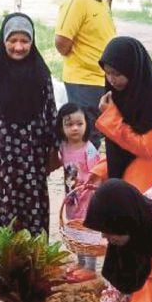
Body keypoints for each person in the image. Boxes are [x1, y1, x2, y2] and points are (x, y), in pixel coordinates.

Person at [88, 36, 152, 302]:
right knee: (127, 253)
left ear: (135, 70)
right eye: (108, 72)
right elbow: (119, 150)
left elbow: (143, 146)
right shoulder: (118, 98)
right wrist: (102, 169)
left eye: (118, 73)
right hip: (127, 183)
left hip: (147, 187)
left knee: (146, 257)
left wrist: (110, 116)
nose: (112, 79)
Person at [0, 13, 57, 235]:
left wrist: (55, 150)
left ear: (33, 41)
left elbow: (51, 114)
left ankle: (36, 265)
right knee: (4, 212)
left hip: (33, 158)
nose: (19, 47)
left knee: (34, 211)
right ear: (3, 40)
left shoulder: (41, 73)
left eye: (25, 41)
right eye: (13, 40)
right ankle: (8, 266)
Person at [54, 0, 117, 146]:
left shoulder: (100, 4)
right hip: (83, 82)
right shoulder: (78, 2)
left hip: (101, 80)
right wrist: (84, 61)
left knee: (96, 134)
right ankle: (81, 175)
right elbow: (61, 42)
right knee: (86, 135)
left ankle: (91, 173)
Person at [57, 101, 102, 283]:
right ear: (61, 126)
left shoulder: (89, 149)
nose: (74, 128)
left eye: (79, 124)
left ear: (86, 124)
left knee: (88, 232)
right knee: (75, 230)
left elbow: (96, 176)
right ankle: (80, 262)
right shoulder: (63, 146)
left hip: (87, 199)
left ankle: (90, 268)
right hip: (72, 199)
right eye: (69, 124)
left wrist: (86, 191)